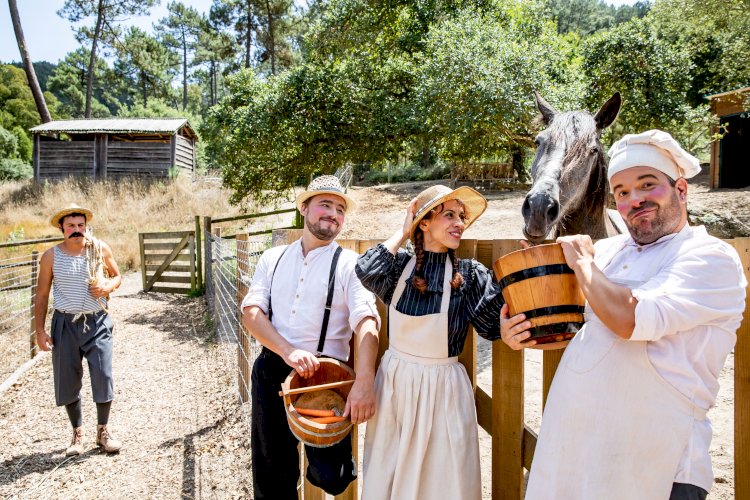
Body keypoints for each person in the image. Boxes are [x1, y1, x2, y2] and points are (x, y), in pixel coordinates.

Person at [501, 130, 747, 500]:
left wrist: (584, 262)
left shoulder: (708, 257)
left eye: (648, 185)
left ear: (681, 189)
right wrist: (520, 330)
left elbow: (628, 320)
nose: (635, 200)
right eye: (622, 192)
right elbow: (573, 322)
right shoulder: (612, 250)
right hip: (577, 456)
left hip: (656, 466)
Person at [355, 185, 505, 500]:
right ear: (424, 223)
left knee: (444, 483)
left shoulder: (469, 276)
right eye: (449, 214)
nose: (459, 223)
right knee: (387, 475)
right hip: (394, 388)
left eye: (462, 217)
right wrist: (403, 229)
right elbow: (366, 269)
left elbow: (493, 327)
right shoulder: (399, 269)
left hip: (443, 394)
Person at [241, 175, 380, 499]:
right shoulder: (272, 259)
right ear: (304, 208)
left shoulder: (349, 264)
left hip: (325, 378)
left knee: (334, 477)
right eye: (325, 205)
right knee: (273, 478)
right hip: (273, 370)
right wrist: (287, 351)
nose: (333, 213)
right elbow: (251, 313)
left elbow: (367, 321)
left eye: (340, 209)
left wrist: (364, 381)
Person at [34, 203, 123, 456]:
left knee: (103, 374)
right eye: (71, 226)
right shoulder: (51, 257)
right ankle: (77, 432)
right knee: (67, 378)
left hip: (97, 320)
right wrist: (40, 331)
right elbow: (41, 296)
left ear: (86, 227)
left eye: (80, 225)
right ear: (61, 228)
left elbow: (117, 276)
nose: (76, 230)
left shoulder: (99, 248)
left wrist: (106, 286)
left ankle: (103, 430)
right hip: (65, 324)